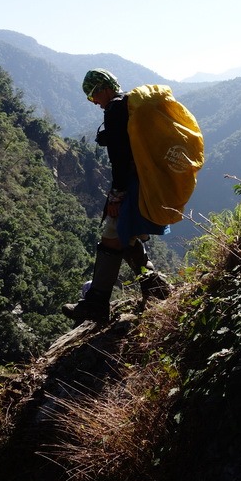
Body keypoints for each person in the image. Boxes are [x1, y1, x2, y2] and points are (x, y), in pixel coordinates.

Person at [63, 69, 170, 326]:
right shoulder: (129, 107)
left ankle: (97, 302)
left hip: (130, 184)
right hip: (145, 180)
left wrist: (116, 195)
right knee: (127, 234)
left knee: (111, 237)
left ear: (104, 88)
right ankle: (154, 286)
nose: (94, 101)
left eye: (92, 95)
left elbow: (121, 159)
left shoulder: (115, 110)